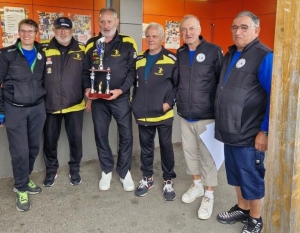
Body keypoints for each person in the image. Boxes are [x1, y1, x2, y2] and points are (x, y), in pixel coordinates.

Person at [215, 11, 273, 233]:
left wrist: (265, 132)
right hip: (229, 130)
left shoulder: (264, 56)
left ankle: (256, 219)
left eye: (244, 27)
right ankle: (242, 208)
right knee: (235, 173)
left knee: (250, 175)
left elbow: (273, 97)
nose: (237, 32)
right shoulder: (230, 54)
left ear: (256, 30)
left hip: (250, 132)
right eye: (234, 27)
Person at [83, 7, 137, 191]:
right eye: (103, 22)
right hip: (98, 99)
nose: (106, 25)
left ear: (117, 21)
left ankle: (124, 171)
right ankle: (106, 170)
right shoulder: (91, 43)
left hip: (120, 98)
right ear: (99, 23)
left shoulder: (128, 43)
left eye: (109, 21)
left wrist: (121, 91)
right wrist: (87, 91)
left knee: (126, 135)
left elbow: (132, 71)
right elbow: (85, 71)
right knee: (101, 134)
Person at [176, 15, 223, 219]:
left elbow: (221, 83)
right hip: (185, 115)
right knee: (190, 153)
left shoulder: (213, 51)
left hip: (206, 115)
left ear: (199, 29)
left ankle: (209, 195)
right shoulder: (180, 52)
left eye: (192, 28)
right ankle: (197, 186)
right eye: (184, 30)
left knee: (208, 157)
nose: (188, 33)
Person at [0, 19, 46, 211]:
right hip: (14, 109)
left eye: (31, 31)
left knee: (33, 148)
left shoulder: (42, 53)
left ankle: (23, 179)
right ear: (18, 32)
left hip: (37, 108)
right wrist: (1, 112)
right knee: (20, 151)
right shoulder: (6, 54)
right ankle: (20, 187)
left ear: (37, 33)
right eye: (23, 31)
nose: (27, 34)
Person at [42, 17, 91, 187]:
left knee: (76, 140)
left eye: (66, 29)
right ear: (53, 31)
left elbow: (87, 75)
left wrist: (88, 95)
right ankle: (51, 170)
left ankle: (75, 169)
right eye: (59, 29)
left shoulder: (82, 50)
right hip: (50, 105)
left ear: (72, 31)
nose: (63, 32)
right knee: (49, 140)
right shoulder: (44, 50)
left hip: (75, 104)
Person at [132, 23, 178, 201]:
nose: (150, 39)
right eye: (148, 36)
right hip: (143, 114)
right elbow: (135, 85)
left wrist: (167, 104)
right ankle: (147, 178)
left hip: (163, 114)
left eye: (154, 36)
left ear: (162, 39)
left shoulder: (171, 60)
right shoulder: (139, 60)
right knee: (146, 148)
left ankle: (168, 180)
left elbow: (176, 86)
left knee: (166, 147)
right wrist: (133, 103)